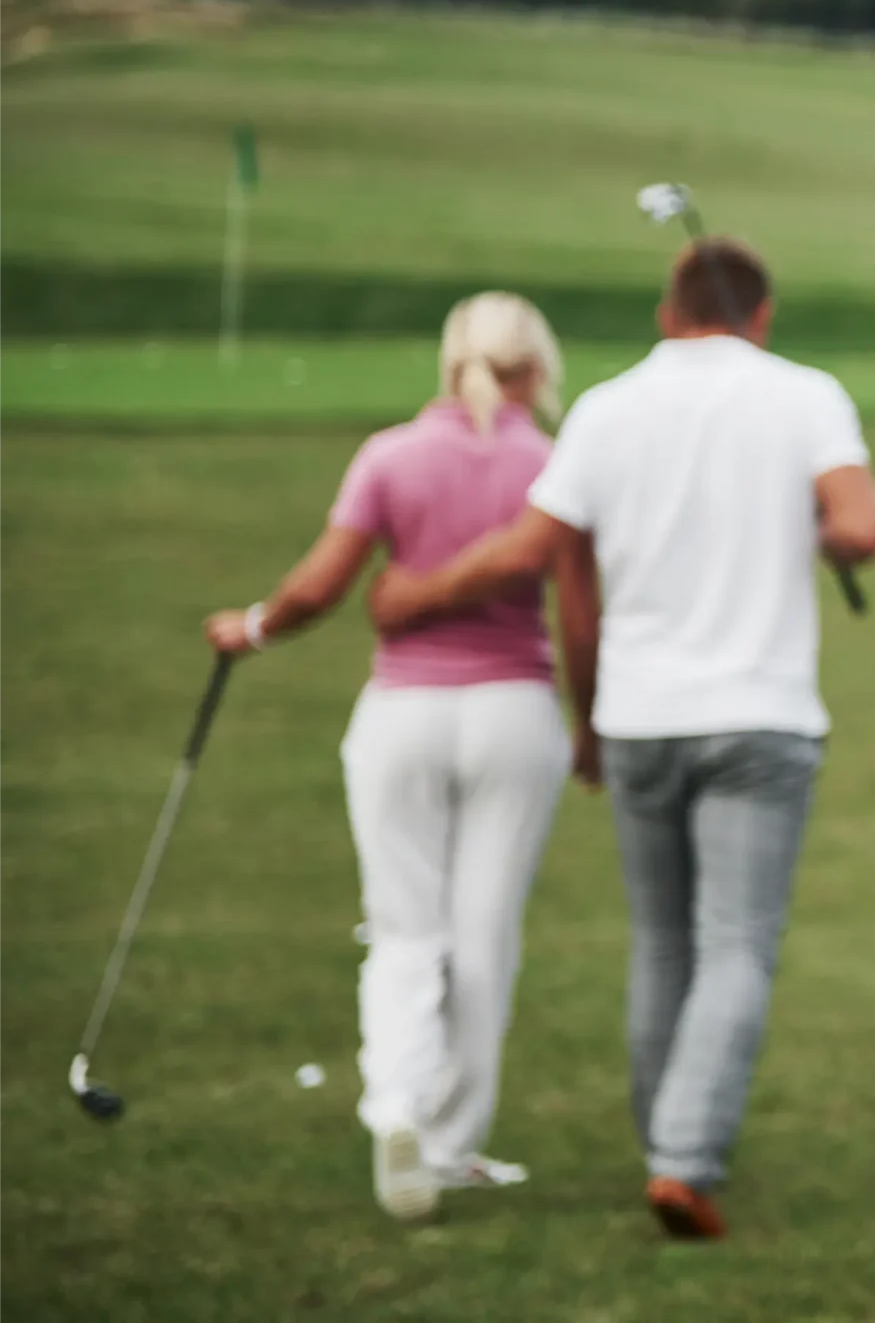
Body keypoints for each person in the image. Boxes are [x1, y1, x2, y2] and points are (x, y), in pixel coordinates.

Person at [369, 238, 875, 1243]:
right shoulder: (804, 395)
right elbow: (865, 525)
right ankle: (684, 1158)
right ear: (763, 313)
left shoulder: (607, 408)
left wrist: (414, 596)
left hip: (639, 712)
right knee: (735, 942)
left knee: (663, 942)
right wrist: (816, 529)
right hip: (759, 711)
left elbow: (534, 550)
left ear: (667, 311)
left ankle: (669, 1140)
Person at [203, 293, 580, 1225]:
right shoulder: (556, 463)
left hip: (404, 714)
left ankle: (396, 1107)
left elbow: (320, 587)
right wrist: (598, 721)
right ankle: (448, 1147)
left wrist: (248, 629)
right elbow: (581, 612)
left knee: (406, 926)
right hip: (514, 713)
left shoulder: (392, 454)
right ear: (538, 368)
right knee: (485, 936)